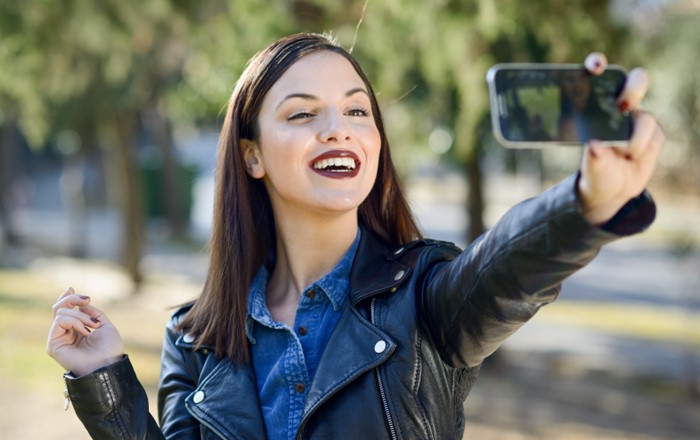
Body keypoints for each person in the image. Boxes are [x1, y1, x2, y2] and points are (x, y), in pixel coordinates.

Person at [47, 33, 663, 439]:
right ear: (252, 156)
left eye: (357, 109)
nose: (338, 128)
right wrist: (105, 381)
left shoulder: (426, 296)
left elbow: (507, 269)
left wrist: (586, 201)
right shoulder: (196, 338)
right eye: (302, 113)